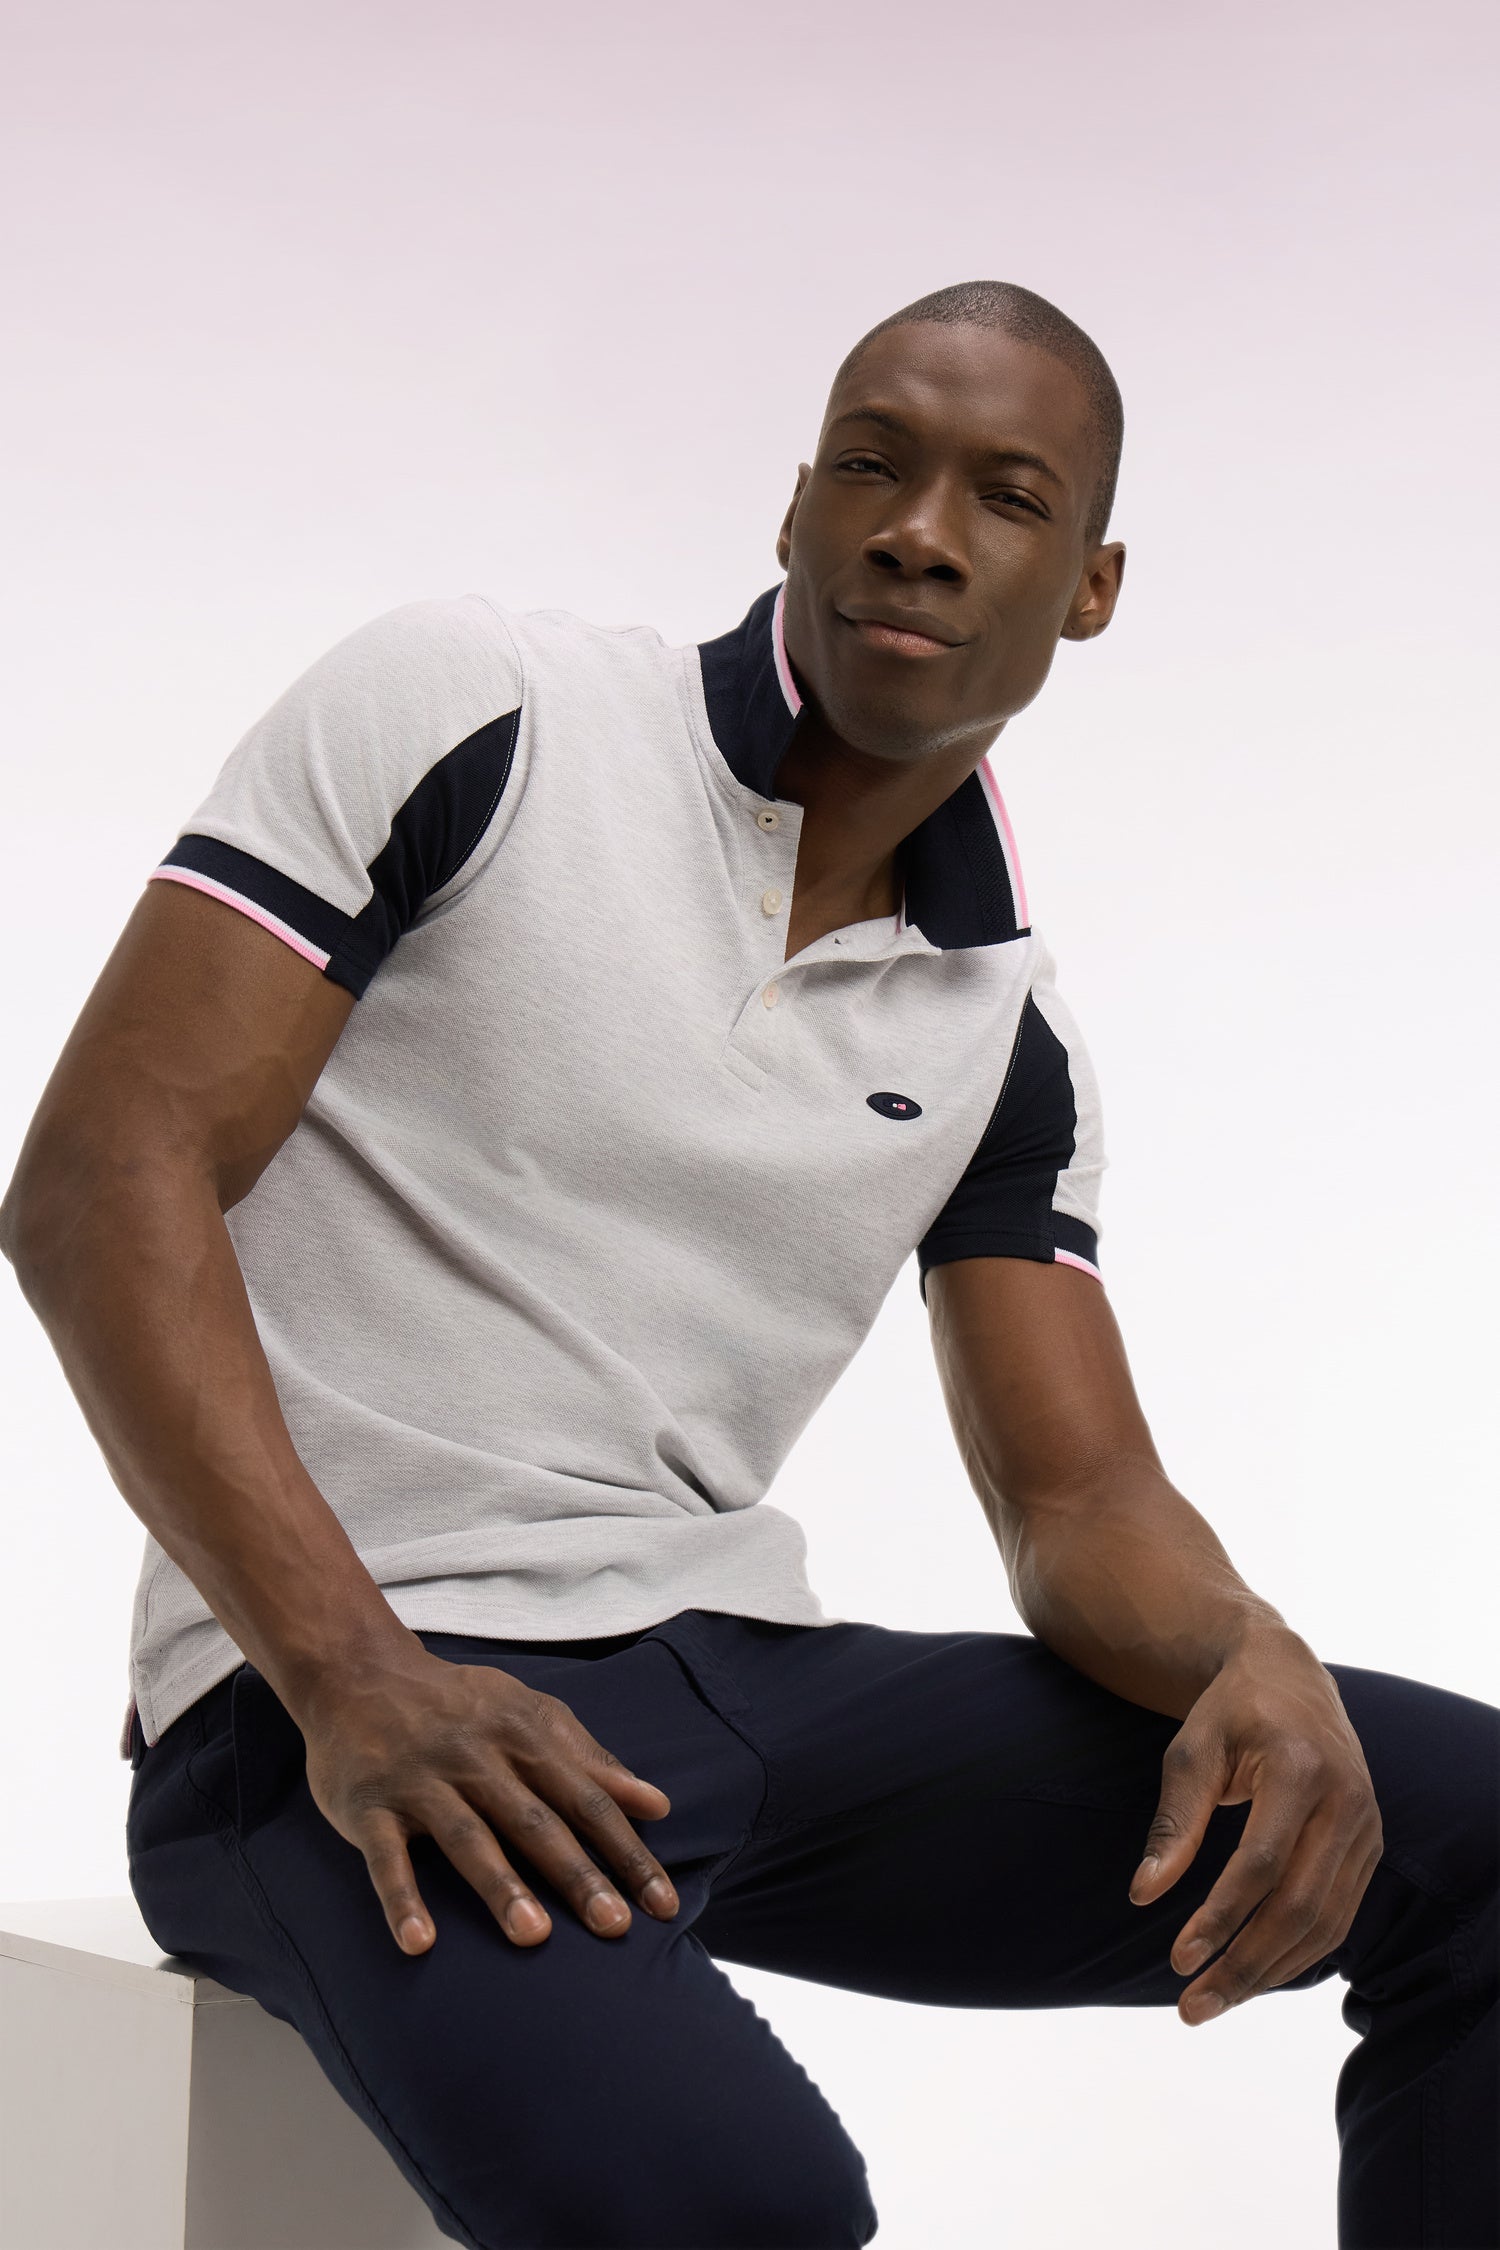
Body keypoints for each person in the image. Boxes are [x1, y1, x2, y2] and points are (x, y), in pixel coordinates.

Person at [2, 280, 1494, 2250]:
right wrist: (353, 1674)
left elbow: (1079, 1503)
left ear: (1092, 584)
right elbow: (104, 1180)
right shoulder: (482, 711)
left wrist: (1248, 1651)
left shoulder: (1002, 1026)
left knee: (1481, 1836)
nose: (920, 532)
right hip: (327, 1693)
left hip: (728, 1679)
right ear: (797, 505)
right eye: (874, 465)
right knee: (747, 2205)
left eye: (1005, 496)